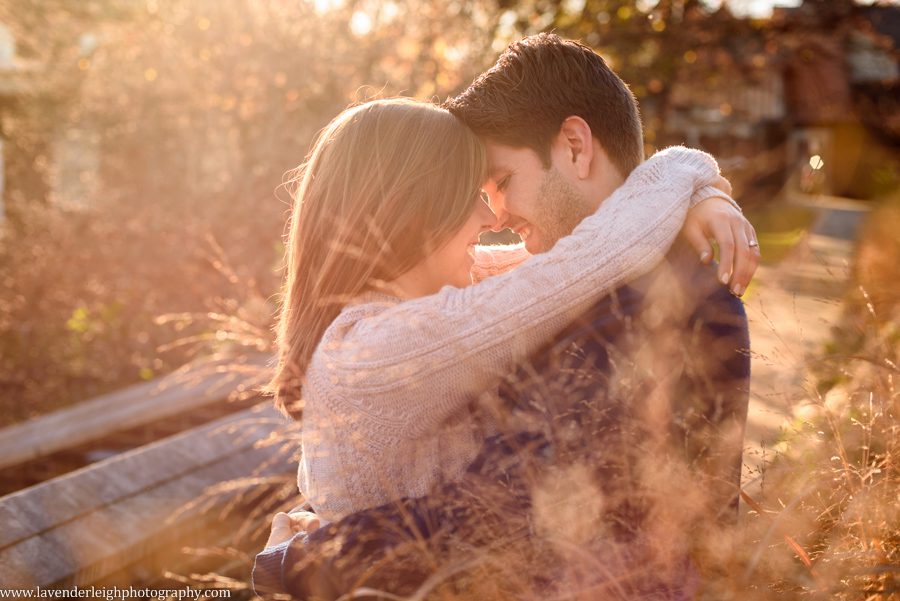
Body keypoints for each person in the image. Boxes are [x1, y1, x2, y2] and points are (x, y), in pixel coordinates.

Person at [254, 34, 757, 599]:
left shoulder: (667, 300)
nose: (492, 217)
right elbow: (580, 262)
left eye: (502, 183)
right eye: (473, 192)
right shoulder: (383, 343)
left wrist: (299, 559)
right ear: (408, 209)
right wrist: (690, 177)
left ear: (575, 146)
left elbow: (513, 515)